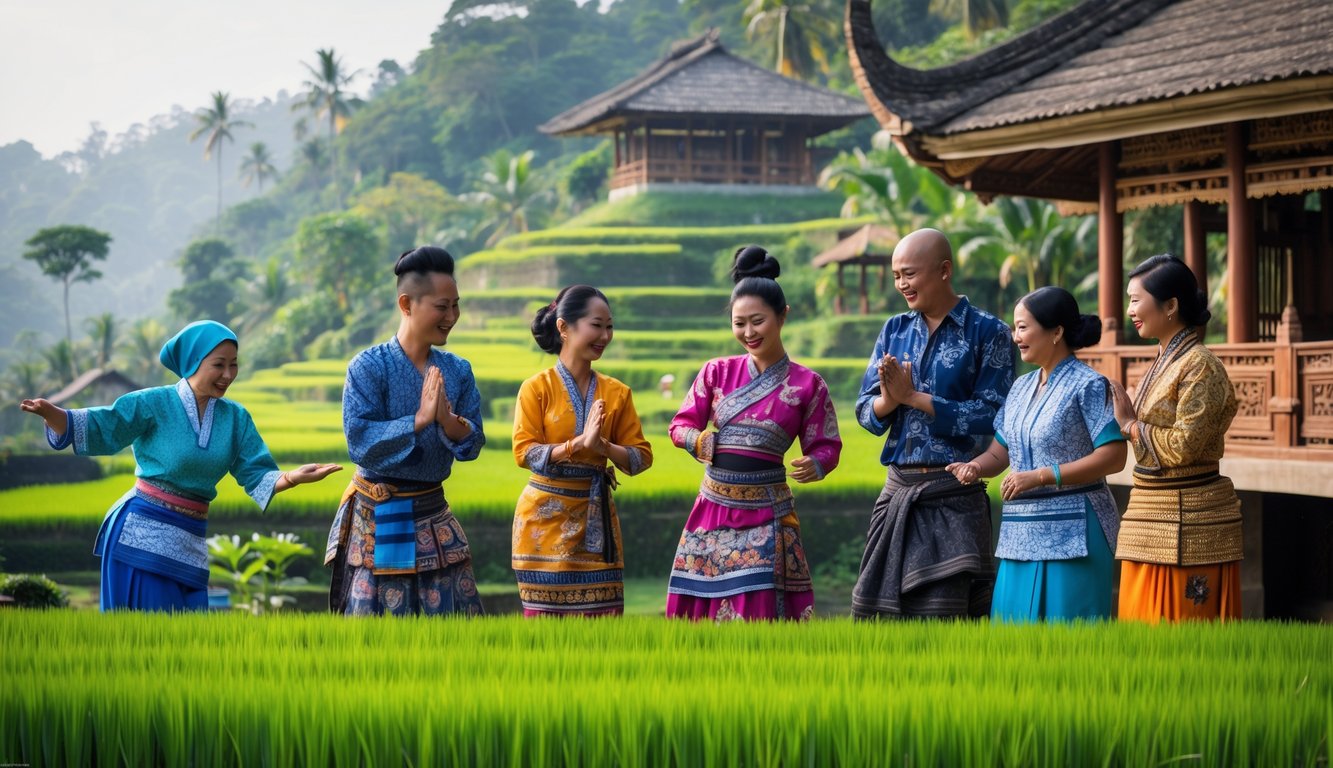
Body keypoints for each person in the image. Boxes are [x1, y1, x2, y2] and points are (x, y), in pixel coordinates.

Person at [20, 320, 342, 611]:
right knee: (146, 643)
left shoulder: (235, 418)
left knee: (184, 643)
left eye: (234, 365)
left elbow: (255, 472)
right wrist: (54, 415)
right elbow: (107, 425)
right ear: (192, 363)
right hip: (141, 538)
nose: (228, 375)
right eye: (219, 365)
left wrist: (292, 477)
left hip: (191, 542)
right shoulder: (152, 403)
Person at [666, 246, 842, 621]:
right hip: (713, 509)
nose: (748, 332)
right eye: (738, 323)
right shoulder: (715, 372)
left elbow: (827, 444)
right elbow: (679, 426)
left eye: (757, 321)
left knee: (761, 612)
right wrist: (698, 440)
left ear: (783, 316)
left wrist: (817, 463)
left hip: (768, 513)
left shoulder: (809, 384)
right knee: (699, 614)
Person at [851, 228, 1016, 618]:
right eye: (896, 276)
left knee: (947, 621)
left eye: (909, 273)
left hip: (955, 494)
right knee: (880, 623)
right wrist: (889, 401)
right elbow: (864, 411)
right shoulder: (894, 329)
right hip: (897, 491)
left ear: (944, 270)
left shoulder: (989, 332)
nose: (901, 284)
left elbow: (994, 415)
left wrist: (916, 400)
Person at [947, 287, 1127, 622]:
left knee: (1071, 637)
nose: (1016, 337)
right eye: (1015, 328)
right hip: (1020, 531)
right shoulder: (1020, 387)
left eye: (1023, 327)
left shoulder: (1088, 385)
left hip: (1076, 530)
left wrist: (1042, 475)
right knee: (1015, 637)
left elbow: (1114, 456)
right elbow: (1001, 453)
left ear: (1056, 331)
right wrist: (974, 466)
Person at [326, 246, 486, 617]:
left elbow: (473, 441)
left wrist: (447, 420)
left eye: (456, 306)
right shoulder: (367, 367)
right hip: (376, 519)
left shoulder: (458, 370)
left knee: (450, 636)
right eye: (442, 306)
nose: (452, 317)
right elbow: (360, 441)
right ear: (406, 303)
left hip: (434, 516)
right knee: (375, 639)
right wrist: (418, 420)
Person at [1109, 254, 1243, 622]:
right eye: (1129, 299)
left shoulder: (1200, 364)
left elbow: (1185, 445)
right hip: (1149, 513)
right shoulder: (1162, 360)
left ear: (1170, 306)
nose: (1130, 309)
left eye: (1136, 299)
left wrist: (1131, 425)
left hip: (1188, 520)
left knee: (1182, 633)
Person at [511, 285, 653, 616]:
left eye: (609, 326)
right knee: (544, 638)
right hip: (542, 526)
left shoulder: (617, 393)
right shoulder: (536, 388)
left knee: (600, 635)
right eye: (596, 325)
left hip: (596, 525)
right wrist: (578, 445)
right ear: (564, 327)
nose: (605, 335)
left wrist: (602, 445)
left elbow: (640, 458)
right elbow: (524, 452)